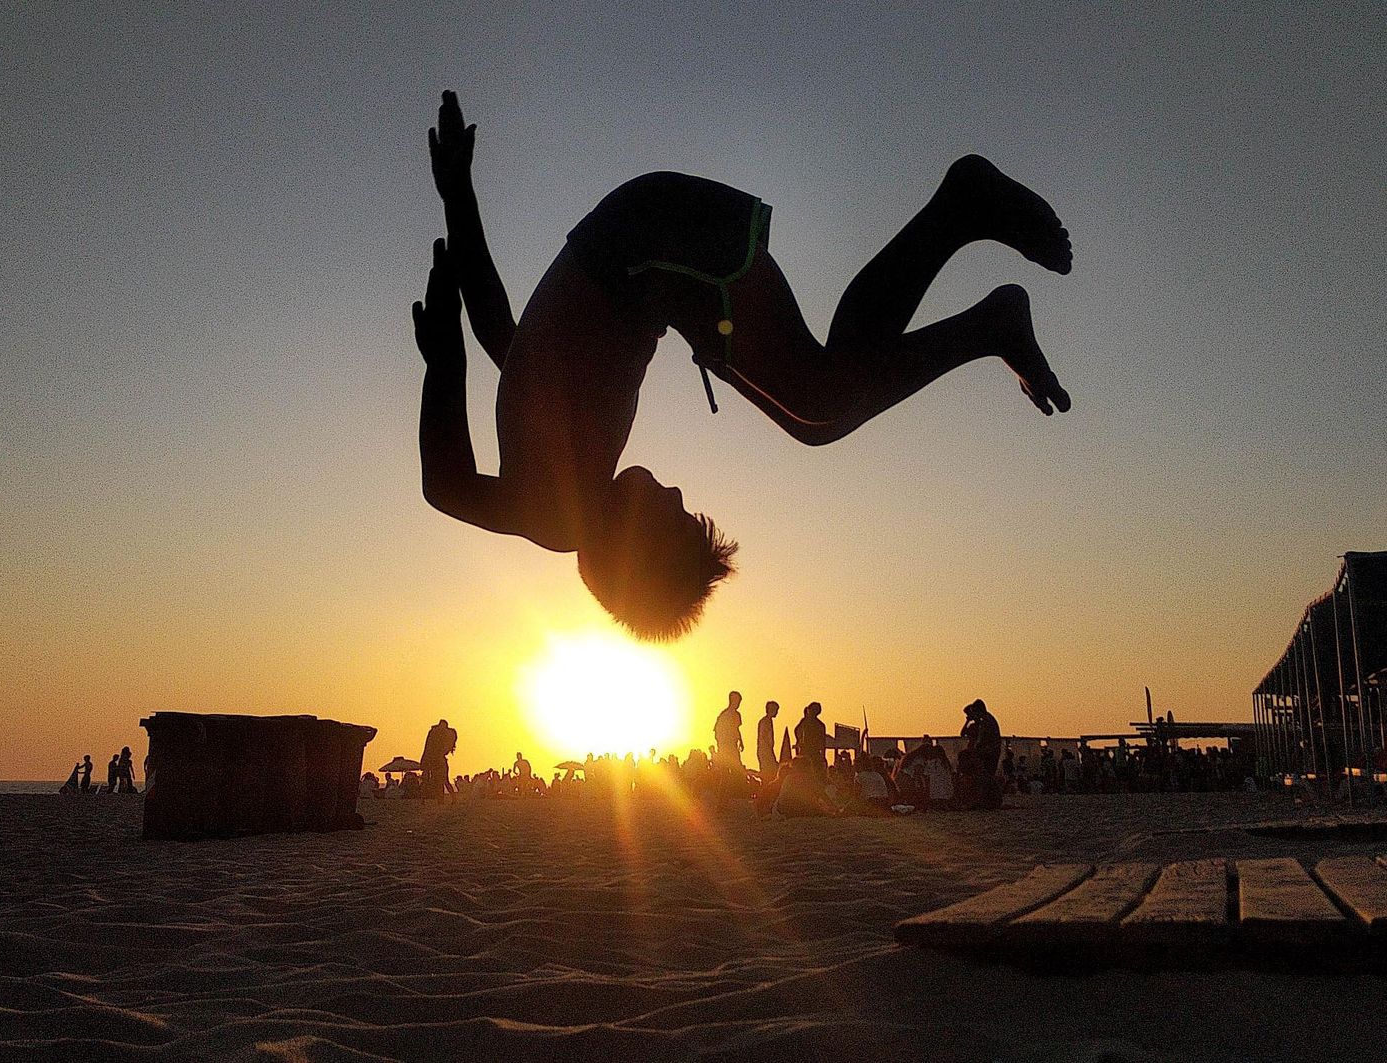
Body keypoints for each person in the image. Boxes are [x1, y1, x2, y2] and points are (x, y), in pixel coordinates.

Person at [416, 91, 1073, 640]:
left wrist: (441, 360)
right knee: (814, 416)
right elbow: (504, 331)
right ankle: (980, 296)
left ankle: (967, 241)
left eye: (672, 514)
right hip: (657, 272)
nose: (674, 492)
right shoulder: (564, 453)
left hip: (654, 240)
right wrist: (457, 196)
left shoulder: (555, 514)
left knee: (818, 394)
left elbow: (445, 484)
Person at [419, 719, 458, 801]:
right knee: (440, 780)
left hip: (435, 760)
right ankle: (442, 799)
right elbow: (428, 747)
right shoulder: (437, 733)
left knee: (441, 780)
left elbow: (427, 747)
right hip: (434, 760)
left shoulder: (435, 732)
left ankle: (443, 799)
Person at [714, 691, 745, 784]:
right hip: (726, 746)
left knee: (736, 768)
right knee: (726, 771)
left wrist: (740, 741)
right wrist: (722, 745)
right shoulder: (724, 715)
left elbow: (737, 729)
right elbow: (717, 732)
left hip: (733, 745)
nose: (738, 704)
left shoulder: (737, 715)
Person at [793, 702, 829, 783]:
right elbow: (796, 730)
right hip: (808, 752)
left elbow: (822, 743)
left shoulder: (811, 723)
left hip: (809, 752)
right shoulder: (816, 724)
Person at [757, 700, 781, 781]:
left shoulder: (768, 721)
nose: (777, 713)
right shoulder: (765, 721)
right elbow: (763, 737)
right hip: (765, 750)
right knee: (768, 773)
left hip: (767, 750)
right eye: (776, 710)